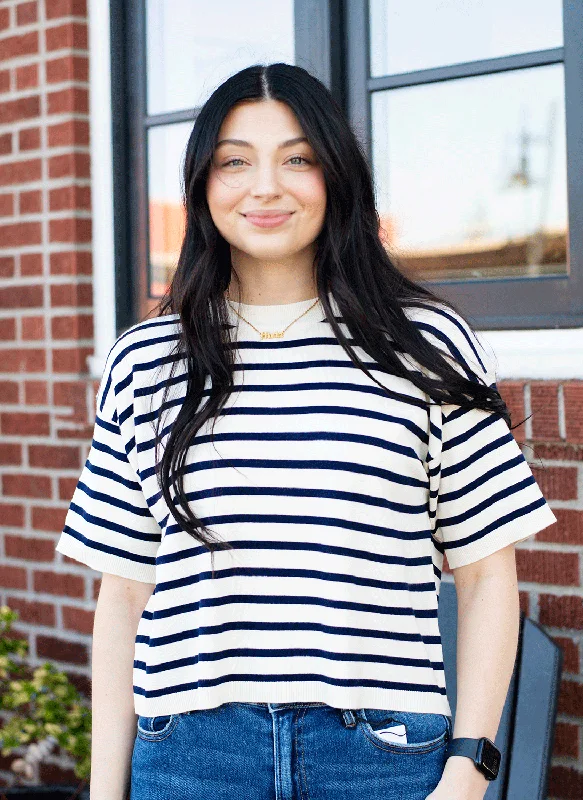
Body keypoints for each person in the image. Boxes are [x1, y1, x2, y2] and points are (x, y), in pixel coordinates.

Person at [55, 62, 557, 800]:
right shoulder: (145, 360)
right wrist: (104, 791)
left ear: (337, 178)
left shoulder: (426, 343)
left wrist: (468, 768)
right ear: (202, 185)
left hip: (379, 757)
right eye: (235, 162)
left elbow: (485, 575)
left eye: (298, 159)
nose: (266, 186)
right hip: (193, 756)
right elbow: (124, 594)